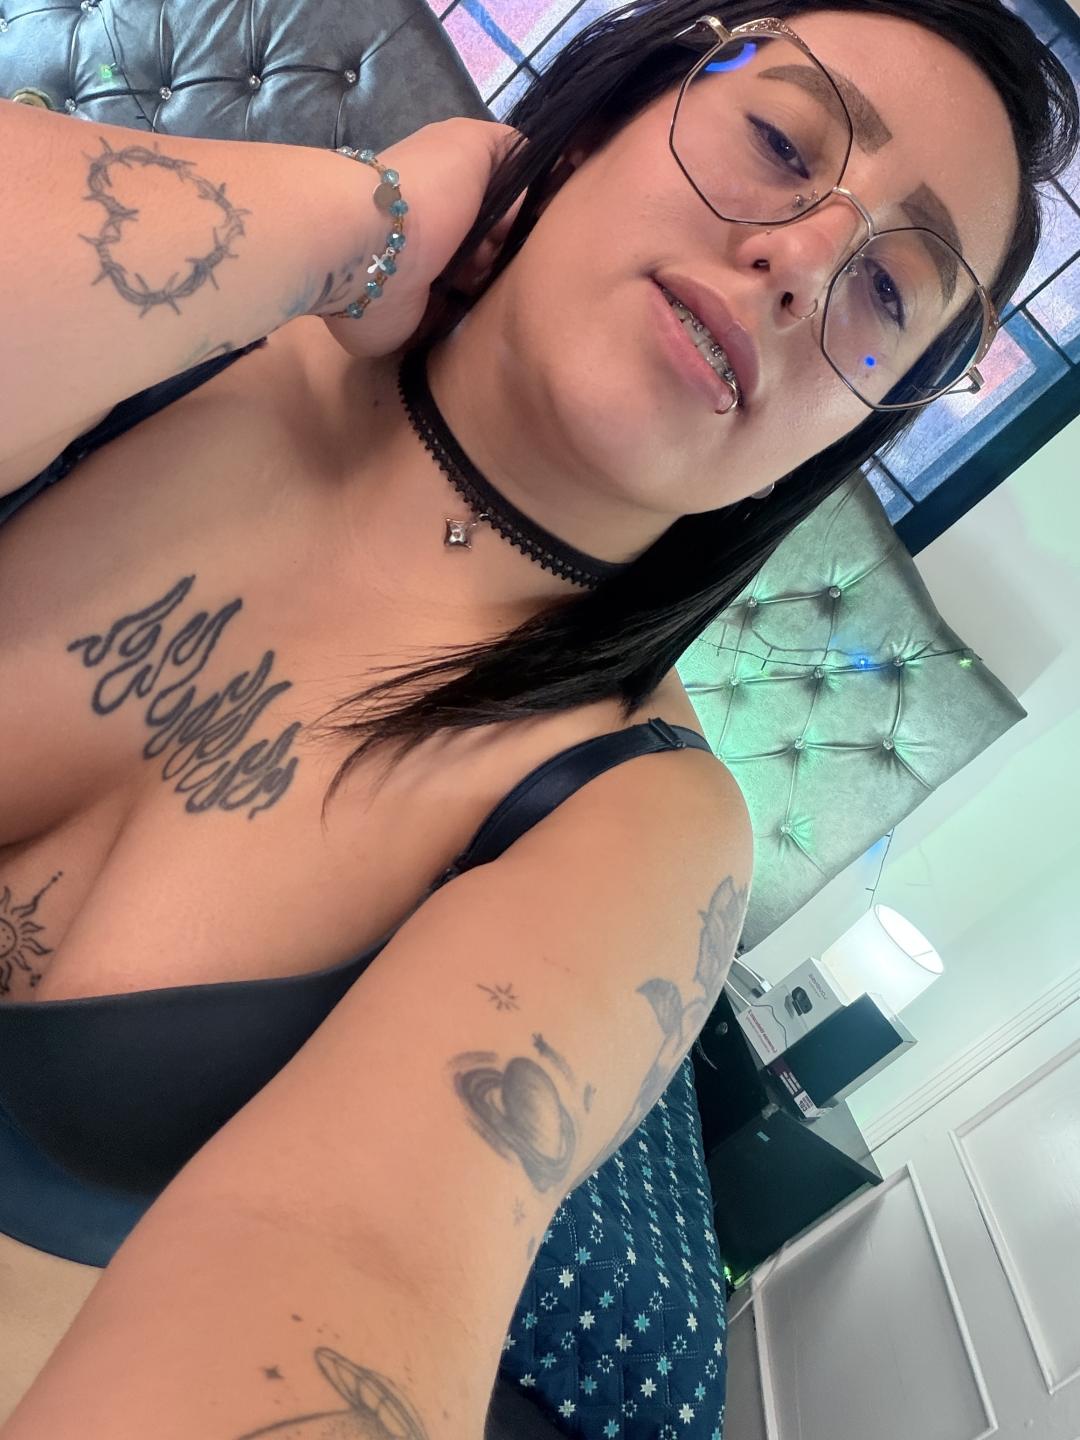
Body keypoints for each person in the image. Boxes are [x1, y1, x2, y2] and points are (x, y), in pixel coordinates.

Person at [0, 2, 1075, 1436]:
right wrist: (368, 212)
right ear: (606, 121)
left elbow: (361, 1267)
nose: (808, 263)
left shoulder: (643, 825)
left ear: (851, 431)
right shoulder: (195, 304)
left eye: (890, 292)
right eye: (780, 140)